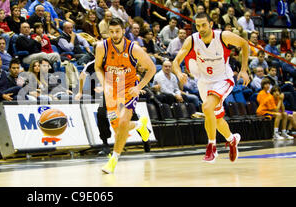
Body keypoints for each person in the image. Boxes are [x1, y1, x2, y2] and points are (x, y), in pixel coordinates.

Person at [172, 12, 250, 163]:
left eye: (204, 25)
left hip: (223, 79)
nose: (201, 28)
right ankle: (231, 139)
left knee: (207, 107)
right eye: (198, 25)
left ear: (211, 24)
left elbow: (244, 44)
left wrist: (244, 69)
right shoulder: (192, 40)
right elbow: (176, 61)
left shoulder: (223, 36)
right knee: (216, 118)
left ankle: (211, 147)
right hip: (204, 82)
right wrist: (178, 73)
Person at [94, 18, 156, 174]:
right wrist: (104, 83)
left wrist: (139, 87)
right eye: (112, 31)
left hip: (128, 89)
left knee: (122, 123)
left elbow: (152, 69)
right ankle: (140, 125)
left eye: (117, 31)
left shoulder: (133, 49)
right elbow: (97, 67)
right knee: (118, 128)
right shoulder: (102, 47)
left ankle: (113, 160)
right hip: (111, 89)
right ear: (108, 31)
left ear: (123, 31)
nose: (114, 35)